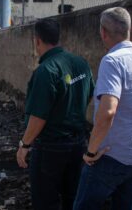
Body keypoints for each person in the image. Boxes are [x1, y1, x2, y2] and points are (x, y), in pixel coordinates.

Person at [73, 7, 132, 210]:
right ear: (130, 30)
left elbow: (108, 112)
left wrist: (91, 152)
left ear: (103, 32)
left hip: (109, 158)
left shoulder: (112, 61)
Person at [16, 18, 94, 210]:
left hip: (51, 148)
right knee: (72, 196)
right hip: (78, 144)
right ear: (58, 38)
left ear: (37, 41)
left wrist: (24, 145)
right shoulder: (81, 63)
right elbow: (89, 93)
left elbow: (38, 117)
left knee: (45, 201)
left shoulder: (45, 71)